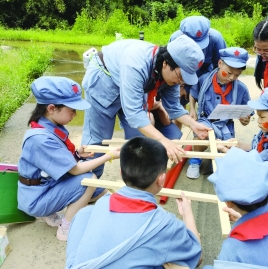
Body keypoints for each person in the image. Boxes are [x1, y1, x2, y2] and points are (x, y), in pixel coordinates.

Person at [81, 34, 212, 178]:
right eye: (181, 76)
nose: (181, 82)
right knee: (97, 141)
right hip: (104, 81)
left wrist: (193, 125)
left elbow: (174, 106)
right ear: (166, 64)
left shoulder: (170, 75)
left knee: (139, 139)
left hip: (134, 85)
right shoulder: (136, 64)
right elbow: (135, 115)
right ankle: (88, 185)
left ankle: (134, 181)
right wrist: (163, 140)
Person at [66, 137, 202, 269]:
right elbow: (197, 256)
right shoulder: (165, 224)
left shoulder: (102, 203)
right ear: (161, 179)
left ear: (121, 172)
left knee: (84, 214)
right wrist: (187, 215)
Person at [17, 76, 121, 241]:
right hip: (37, 199)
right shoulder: (40, 139)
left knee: (98, 189)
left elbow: (56, 161)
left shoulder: (47, 125)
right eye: (71, 109)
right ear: (51, 108)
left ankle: (52, 213)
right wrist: (109, 155)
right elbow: (75, 170)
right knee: (89, 179)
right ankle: (66, 227)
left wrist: (77, 155)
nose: (74, 114)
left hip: (42, 187)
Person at [186, 47, 251, 179]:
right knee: (201, 135)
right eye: (228, 73)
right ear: (220, 64)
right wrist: (192, 109)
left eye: (237, 75)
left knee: (230, 148)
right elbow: (193, 94)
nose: (232, 78)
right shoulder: (204, 80)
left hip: (225, 125)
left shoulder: (242, 89)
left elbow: (246, 113)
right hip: (206, 120)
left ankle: (220, 161)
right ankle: (195, 160)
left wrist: (245, 119)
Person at [217, 88, 268, 175]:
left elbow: (253, 162)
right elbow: (254, 147)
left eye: (262, 117)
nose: (258, 121)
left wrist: (224, 149)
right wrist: (238, 145)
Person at [169, 15, 227, 125]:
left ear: (208, 33)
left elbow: (220, 67)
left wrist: (210, 89)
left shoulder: (216, 39)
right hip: (182, 75)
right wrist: (181, 87)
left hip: (206, 76)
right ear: (183, 35)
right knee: (178, 104)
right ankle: (178, 139)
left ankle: (207, 132)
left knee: (208, 106)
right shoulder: (175, 40)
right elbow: (173, 68)